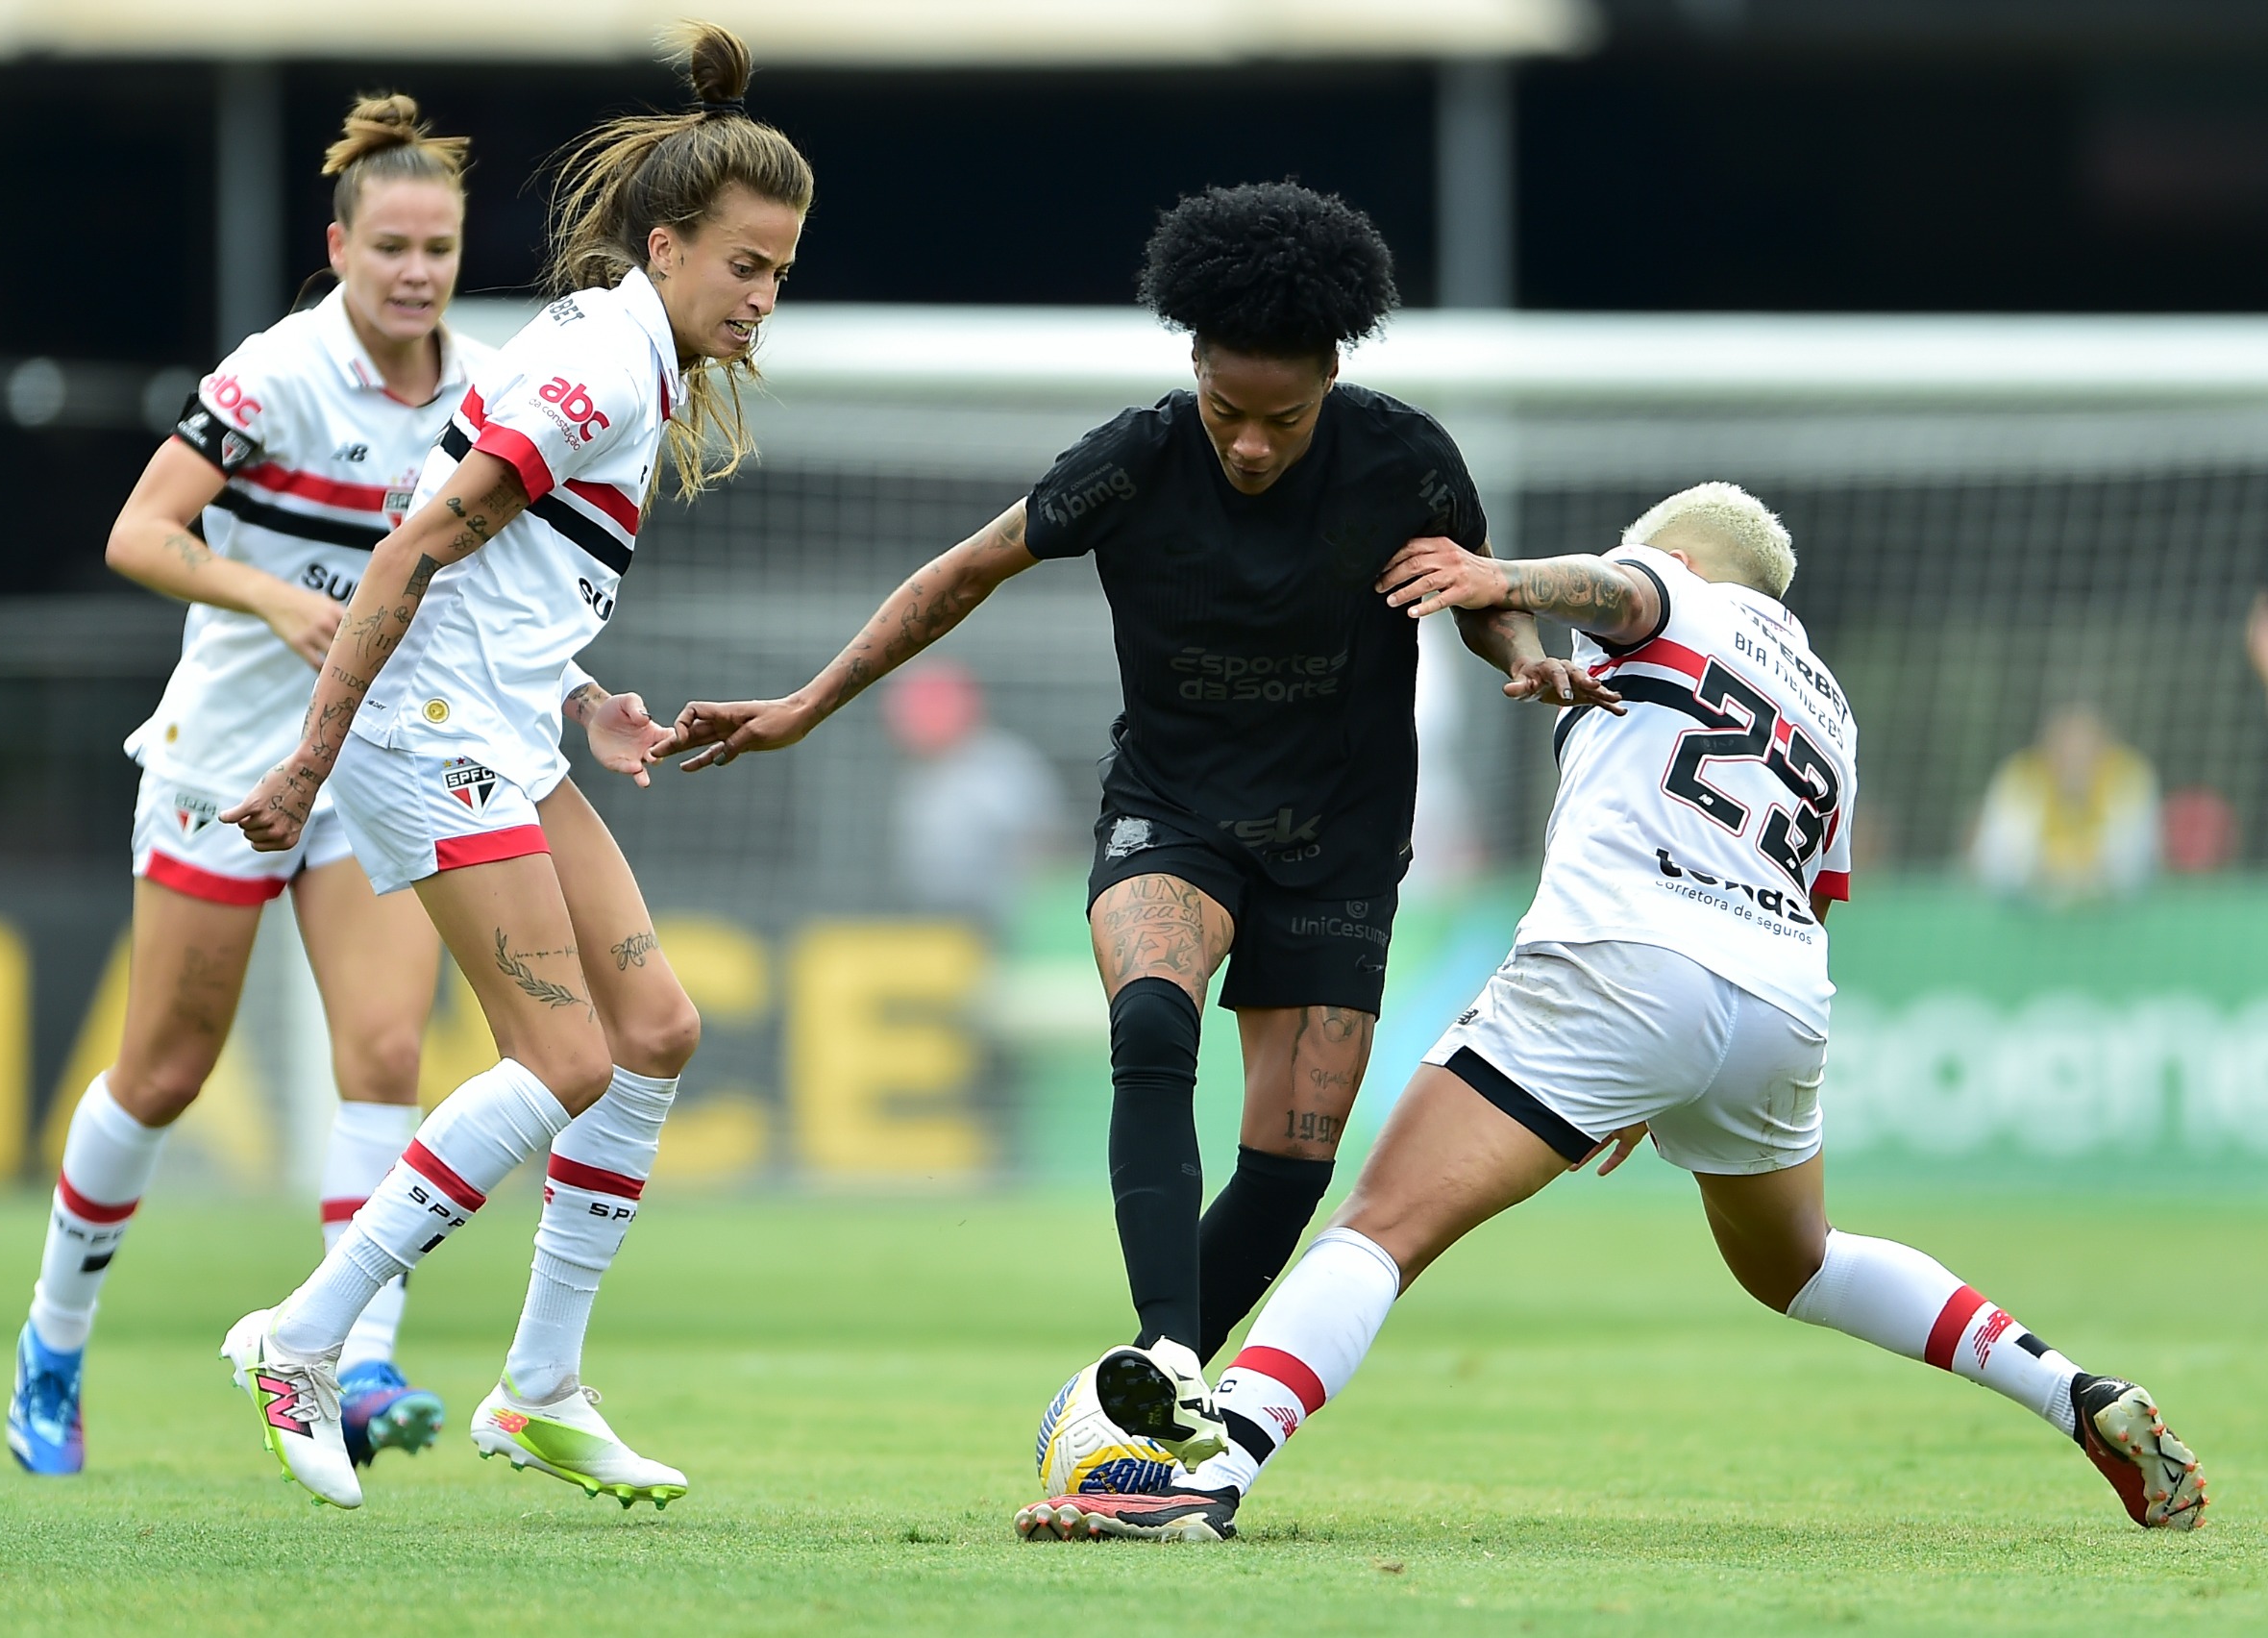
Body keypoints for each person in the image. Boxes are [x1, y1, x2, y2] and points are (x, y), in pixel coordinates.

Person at [1017, 483, 2206, 1543]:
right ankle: (2072, 1392)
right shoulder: (1830, 711)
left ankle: (1205, 1475)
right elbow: (1817, 892)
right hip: (1776, 993)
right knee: (1797, 1263)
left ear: (1683, 557)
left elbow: (1617, 591)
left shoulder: (1682, 594)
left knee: (1379, 1225)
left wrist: (1503, 580)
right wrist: (1671, 1067)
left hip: (1625, 957)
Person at [653, 182, 1612, 1466]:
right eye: (1229, 411)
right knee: (1152, 1015)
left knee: (1289, 1160)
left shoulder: (1406, 459)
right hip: (1173, 812)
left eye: (1285, 418)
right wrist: (809, 707)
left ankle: (1141, 1403)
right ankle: (1165, 1353)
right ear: (1194, 364)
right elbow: (962, 574)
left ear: (1333, 375)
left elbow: (1470, 583)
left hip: (1340, 838)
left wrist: (1520, 644)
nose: (1254, 444)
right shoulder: (1136, 458)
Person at [213, 23, 811, 1513]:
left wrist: (580, 695)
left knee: (655, 1031)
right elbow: (415, 543)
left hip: (500, 726)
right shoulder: (604, 370)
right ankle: (299, 1337)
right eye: (745, 266)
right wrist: (305, 768)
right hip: (425, 739)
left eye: (782, 271)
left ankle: (538, 1389)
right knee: (564, 1062)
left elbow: (502, 580)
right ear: (669, 246)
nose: (764, 296)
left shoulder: (631, 347)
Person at [8, 94, 486, 1478]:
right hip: (228, 760)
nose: (414, 271)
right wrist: (267, 594)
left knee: (388, 1049)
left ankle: (359, 1347)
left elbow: (493, 588)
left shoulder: (485, 392)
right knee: (164, 1071)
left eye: (438, 248)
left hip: (372, 762)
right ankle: (53, 1341)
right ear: (337, 246)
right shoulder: (273, 377)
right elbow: (139, 533)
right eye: (390, 243)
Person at [881, 657, 1066, 923]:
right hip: (938, 920)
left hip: (1004, 916)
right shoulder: (919, 776)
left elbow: (1042, 845)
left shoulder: (999, 765)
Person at [1969, 702, 2159, 902]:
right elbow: (2001, 860)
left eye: (2085, 747)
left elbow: (2131, 861)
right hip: (2027, 910)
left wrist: (2073, 872)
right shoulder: (2023, 777)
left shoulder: (2127, 776)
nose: (2075, 757)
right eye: (2066, 746)